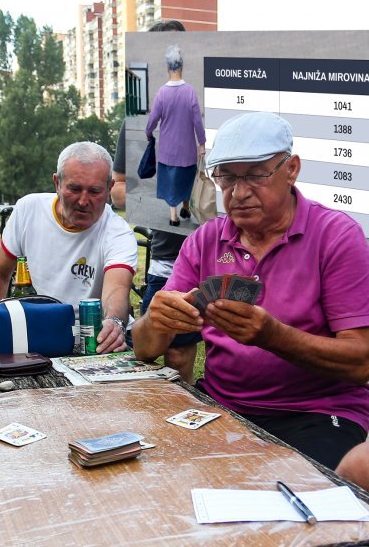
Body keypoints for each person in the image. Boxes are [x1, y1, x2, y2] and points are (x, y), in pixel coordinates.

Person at [133, 111, 369, 470]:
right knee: (155, 472)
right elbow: (146, 349)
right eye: (226, 178)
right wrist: (156, 321)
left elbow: (361, 362)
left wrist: (273, 336)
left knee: (302, 494)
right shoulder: (206, 240)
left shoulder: (335, 237)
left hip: (317, 412)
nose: (238, 193)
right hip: (219, 405)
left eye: (256, 174)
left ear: (292, 169)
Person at [0, 141, 137, 353]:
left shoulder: (118, 232)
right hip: (43, 330)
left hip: (98, 338)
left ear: (110, 188)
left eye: (94, 191)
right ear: (57, 183)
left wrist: (114, 322)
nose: (84, 201)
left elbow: (117, 290)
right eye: (74, 188)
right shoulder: (28, 209)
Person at [111, 19, 201, 382]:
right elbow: (117, 190)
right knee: (162, 353)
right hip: (167, 257)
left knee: (204, 353)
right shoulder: (136, 123)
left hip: (221, 253)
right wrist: (158, 197)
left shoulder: (208, 107)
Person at [145, 44, 206, 226]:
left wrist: (149, 133)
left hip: (168, 151)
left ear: (167, 68)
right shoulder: (190, 92)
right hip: (187, 150)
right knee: (187, 178)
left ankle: (173, 216)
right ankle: (186, 207)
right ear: (182, 67)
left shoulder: (162, 93)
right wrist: (201, 143)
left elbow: (153, 119)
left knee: (170, 181)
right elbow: (197, 121)